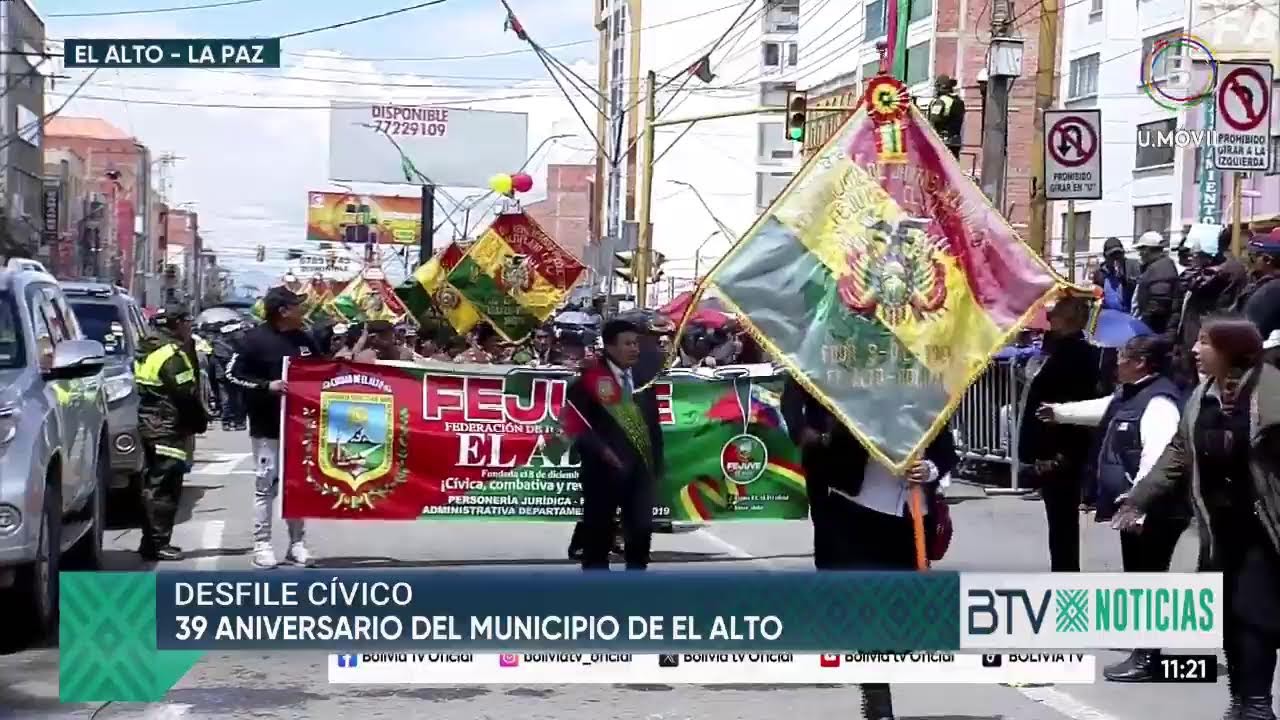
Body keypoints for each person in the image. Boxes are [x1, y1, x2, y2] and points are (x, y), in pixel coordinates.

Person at [1113, 318, 1280, 720]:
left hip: (1264, 525)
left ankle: (1257, 706)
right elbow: (1177, 454)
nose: (1193, 349)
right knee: (1228, 614)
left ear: (1230, 347)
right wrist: (1138, 499)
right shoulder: (1201, 396)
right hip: (1221, 526)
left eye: (1204, 342)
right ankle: (1240, 702)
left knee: (1255, 614)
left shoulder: (1271, 390)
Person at [1036, 335, 1187, 682]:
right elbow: (1105, 408)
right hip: (1138, 506)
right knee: (1139, 577)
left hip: (1154, 508)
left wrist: (1140, 506)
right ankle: (1144, 650)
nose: (1115, 362)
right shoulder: (1131, 394)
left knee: (1148, 580)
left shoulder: (1160, 402)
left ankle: (1148, 658)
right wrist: (1060, 412)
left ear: (1142, 363)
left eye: (1122, 356)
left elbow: (1159, 459)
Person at [225, 287, 320, 569]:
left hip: (301, 428)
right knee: (265, 485)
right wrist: (267, 386)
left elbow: (323, 372)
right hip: (267, 426)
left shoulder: (305, 339)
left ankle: (297, 544)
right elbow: (231, 375)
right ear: (283, 311)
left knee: (297, 488)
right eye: (298, 306)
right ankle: (262, 544)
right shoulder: (254, 340)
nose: (303, 311)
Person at [559, 319, 664, 570]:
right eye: (628, 343)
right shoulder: (589, 379)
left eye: (636, 343)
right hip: (602, 472)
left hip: (639, 472)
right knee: (598, 535)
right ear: (609, 347)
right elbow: (575, 426)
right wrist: (603, 451)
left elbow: (653, 423)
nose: (634, 349)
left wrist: (657, 463)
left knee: (640, 532)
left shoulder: (643, 379)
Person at [1018, 295, 1103, 571]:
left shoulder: (1077, 355)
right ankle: (1064, 572)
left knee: (1063, 525)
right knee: (1059, 524)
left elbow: (1071, 408)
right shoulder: (1058, 350)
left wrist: (1058, 456)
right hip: (1052, 451)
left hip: (1061, 453)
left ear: (1069, 319)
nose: (1050, 319)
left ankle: (1066, 577)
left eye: (1055, 315)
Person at [134, 303, 208, 561]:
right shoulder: (171, 355)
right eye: (187, 321)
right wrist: (200, 420)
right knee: (165, 488)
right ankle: (157, 544)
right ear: (177, 324)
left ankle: (150, 543)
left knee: (153, 485)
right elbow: (185, 394)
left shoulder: (147, 348)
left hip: (150, 423)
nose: (190, 326)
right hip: (167, 427)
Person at [1177, 227, 1249, 386]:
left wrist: (1196, 264)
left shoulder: (1220, 271)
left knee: (1204, 383)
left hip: (1210, 334)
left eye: (1196, 251)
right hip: (1209, 331)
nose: (1192, 255)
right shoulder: (1227, 266)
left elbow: (1186, 283)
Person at [1132, 231, 1182, 341]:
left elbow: (1158, 307)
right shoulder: (1158, 268)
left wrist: (1144, 323)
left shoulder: (1160, 270)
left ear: (1149, 250)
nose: (1140, 253)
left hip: (1157, 332)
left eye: (1142, 249)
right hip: (1157, 331)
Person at [1237, 229, 1280, 339]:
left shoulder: (1270, 292)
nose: (1246, 260)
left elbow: (1249, 332)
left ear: (1267, 260)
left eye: (1252, 257)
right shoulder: (1264, 286)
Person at [1092, 237, 1141, 313]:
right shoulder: (1100, 273)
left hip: (1129, 316)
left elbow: (1139, 290)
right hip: (1109, 317)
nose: (1116, 258)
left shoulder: (1133, 267)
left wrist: (1124, 279)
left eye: (1119, 254)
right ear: (1105, 256)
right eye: (1112, 255)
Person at [925, 74, 965, 159]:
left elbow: (934, 120)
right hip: (955, 141)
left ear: (941, 87)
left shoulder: (941, 101)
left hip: (942, 141)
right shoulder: (959, 101)